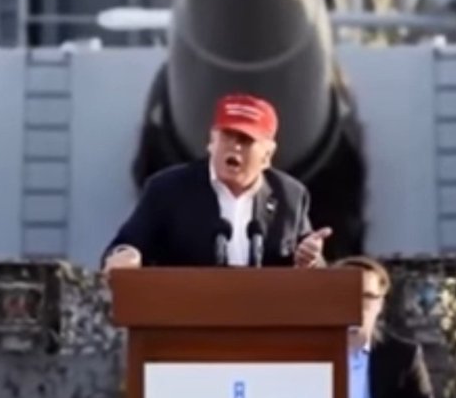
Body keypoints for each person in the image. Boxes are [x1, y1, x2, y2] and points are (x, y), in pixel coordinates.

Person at [102, 93, 331, 270]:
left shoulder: (290, 196)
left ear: (267, 155)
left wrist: (311, 260)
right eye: (227, 136)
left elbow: (313, 269)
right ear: (211, 142)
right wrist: (126, 256)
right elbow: (123, 246)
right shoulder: (167, 190)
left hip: (266, 315)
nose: (234, 146)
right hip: (185, 313)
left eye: (246, 139)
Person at [334, 255, 435, 398]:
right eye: (345, 295)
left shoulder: (403, 358)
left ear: (380, 304)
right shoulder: (309, 357)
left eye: (366, 297)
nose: (355, 305)